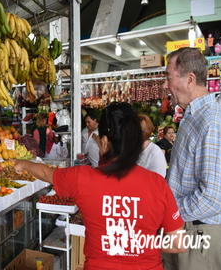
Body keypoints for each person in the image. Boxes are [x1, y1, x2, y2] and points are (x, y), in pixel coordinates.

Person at [14, 102, 185, 270]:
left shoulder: (83, 178)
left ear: (104, 142)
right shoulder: (158, 184)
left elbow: (46, 173)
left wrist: (23, 164)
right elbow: (178, 244)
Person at [163, 47, 221, 270]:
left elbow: (212, 197)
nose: (165, 85)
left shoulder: (212, 121)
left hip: (199, 235)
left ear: (189, 79)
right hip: (184, 228)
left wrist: (170, 212)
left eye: (169, 77)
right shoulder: (193, 116)